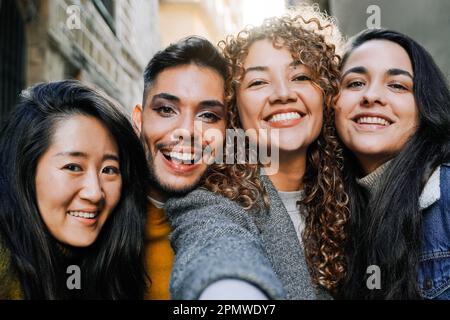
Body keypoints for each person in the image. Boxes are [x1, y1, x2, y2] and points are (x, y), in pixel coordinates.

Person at [165, 6, 349, 299]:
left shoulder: (348, 193)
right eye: (258, 82)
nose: (282, 93)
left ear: (326, 92)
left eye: (300, 76)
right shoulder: (211, 200)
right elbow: (215, 246)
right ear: (233, 107)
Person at [132, 36, 282, 299]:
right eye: (166, 110)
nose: (188, 131)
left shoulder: (235, 210)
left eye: (208, 116)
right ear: (139, 119)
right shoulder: (98, 204)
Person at [0, 80, 149, 299]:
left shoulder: (101, 265)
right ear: (26, 171)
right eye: (73, 167)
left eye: (109, 170)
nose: (95, 193)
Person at [334, 29, 450, 299]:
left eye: (397, 85)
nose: (371, 96)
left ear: (424, 107)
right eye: (354, 83)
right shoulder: (334, 215)